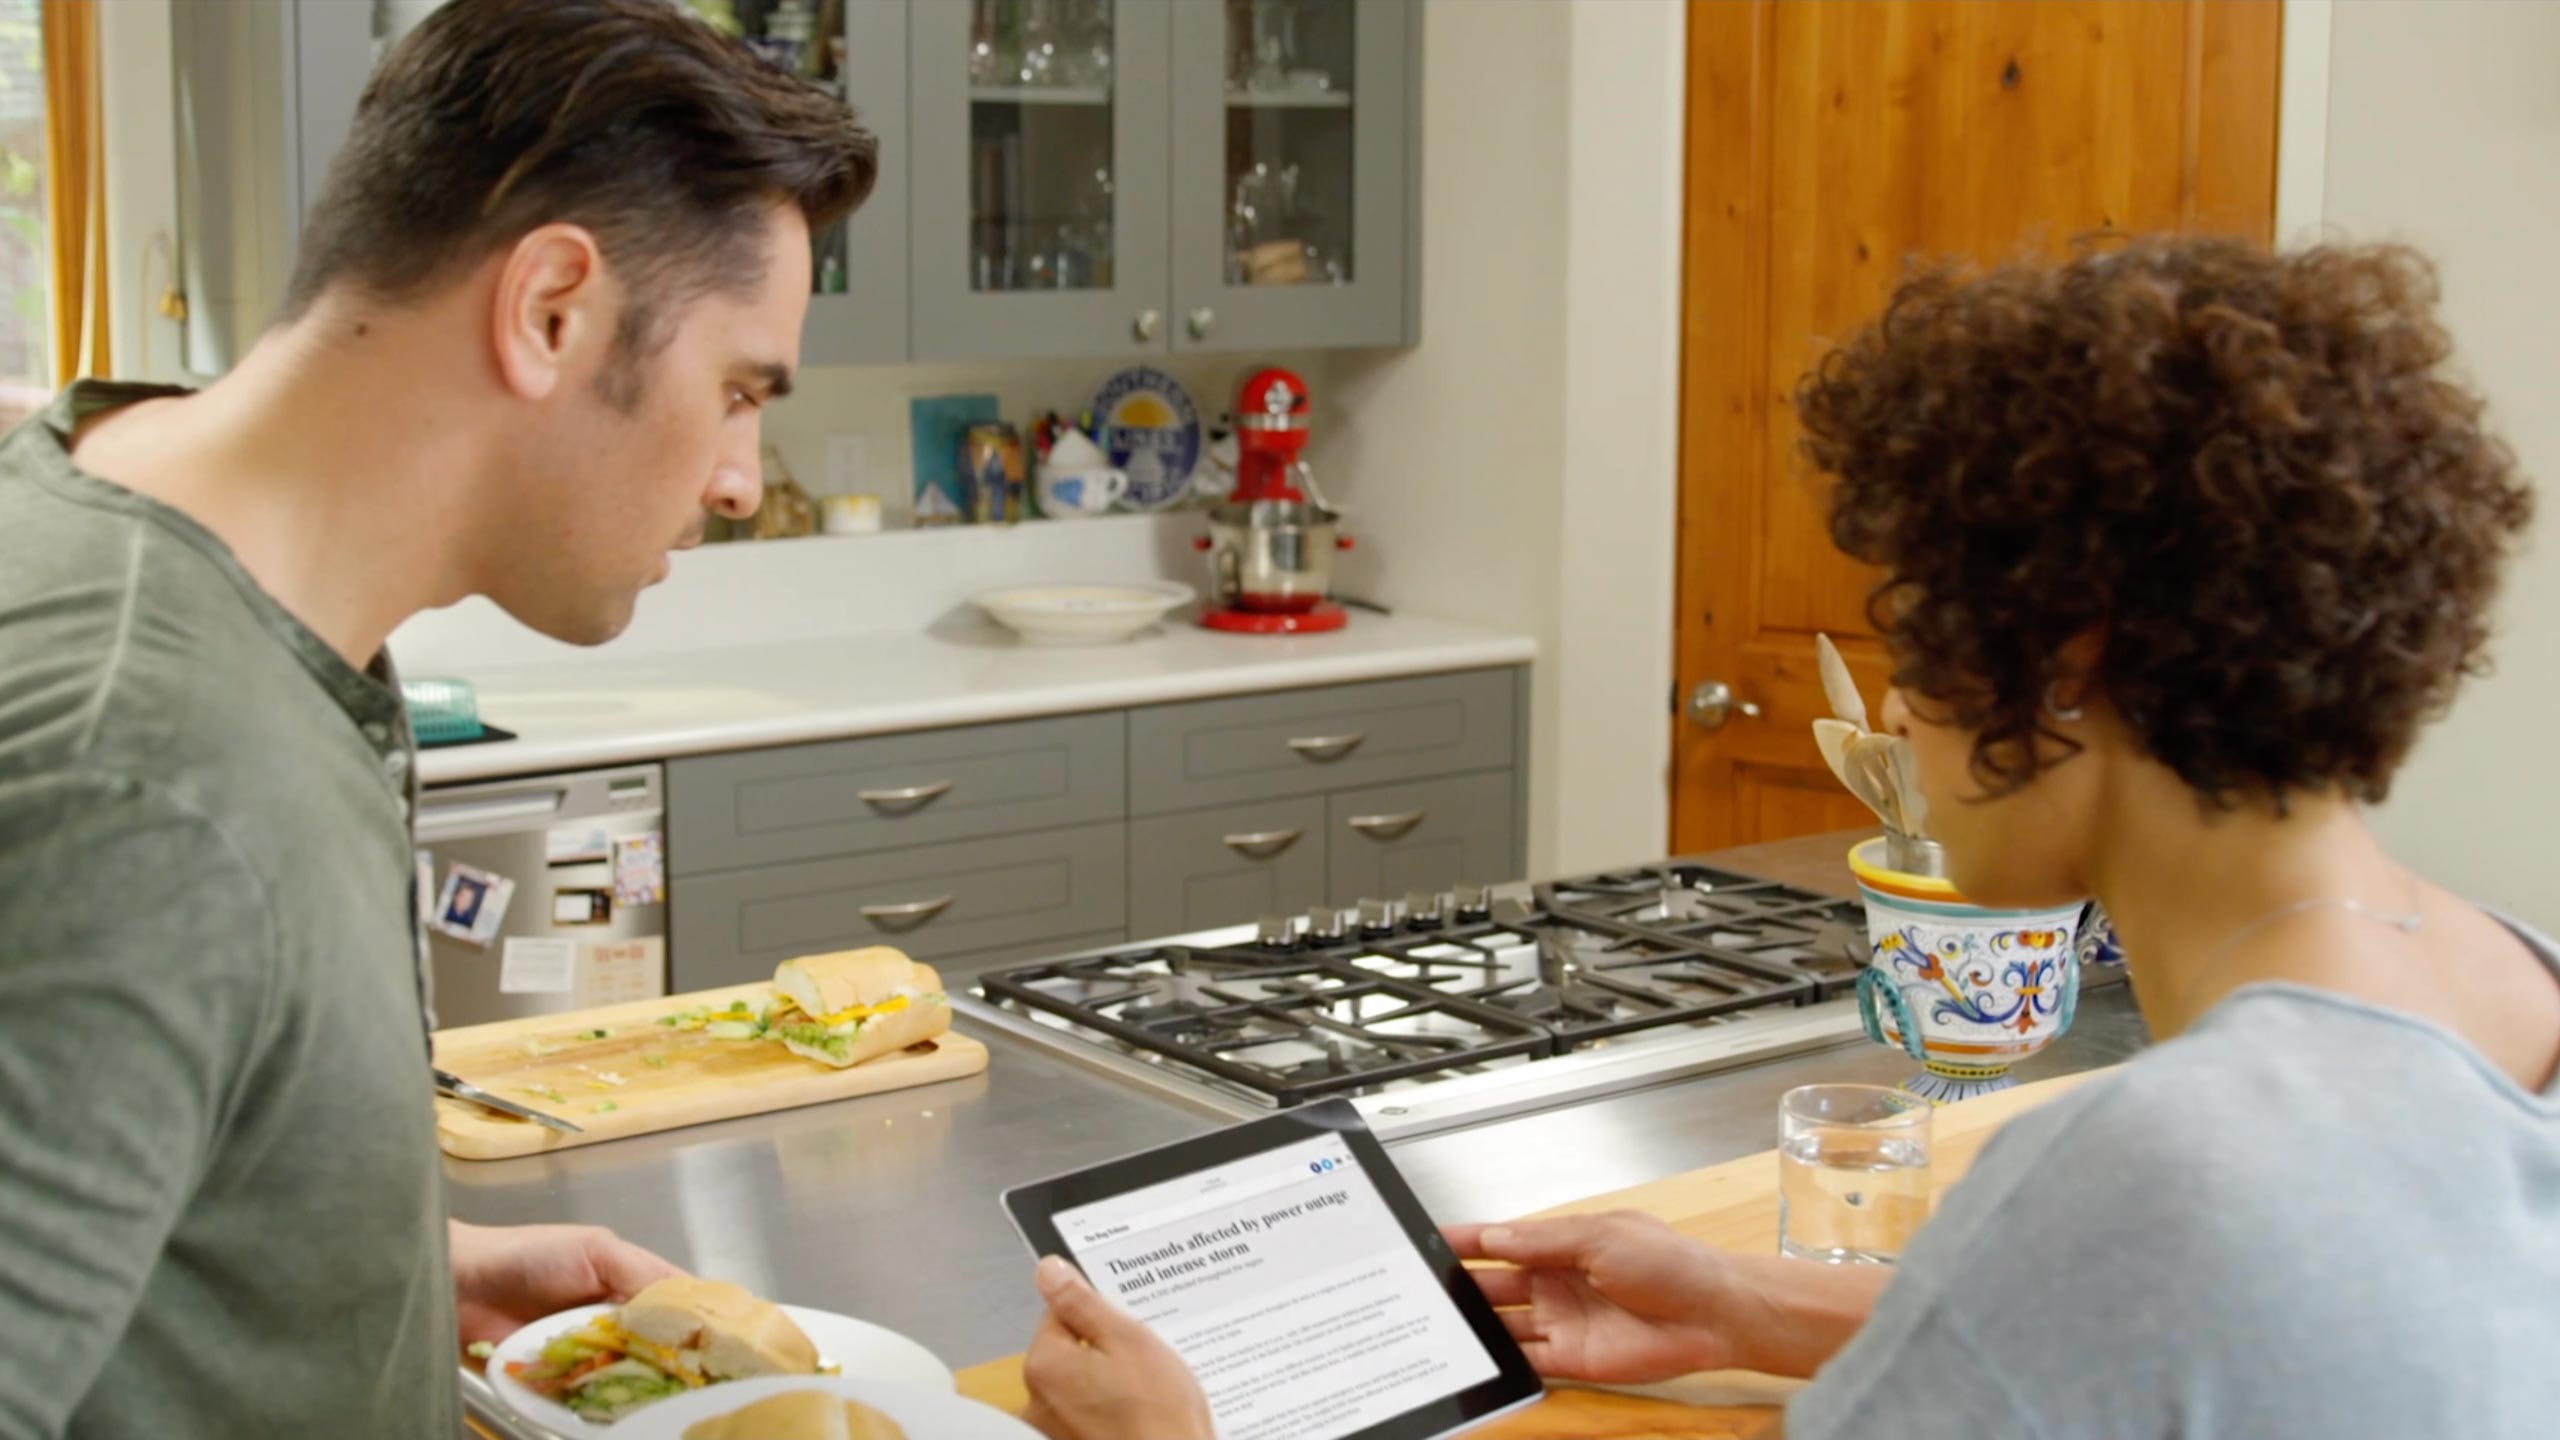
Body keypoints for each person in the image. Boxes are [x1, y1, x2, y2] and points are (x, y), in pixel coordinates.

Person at [1012, 235, 2557, 1439]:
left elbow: (2141, 1277)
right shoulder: (2513, 994)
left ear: (2068, 657)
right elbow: (2211, 1353)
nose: (1894, 706)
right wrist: (1751, 1305)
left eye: (1924, 624)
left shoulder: (2150, 1169)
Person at [0, 1, 875, 1433]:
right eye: (735, 391)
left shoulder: (181, 556)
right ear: (551, 313)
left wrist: (375, 1267)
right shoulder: (147, 772)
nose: (737, 478)